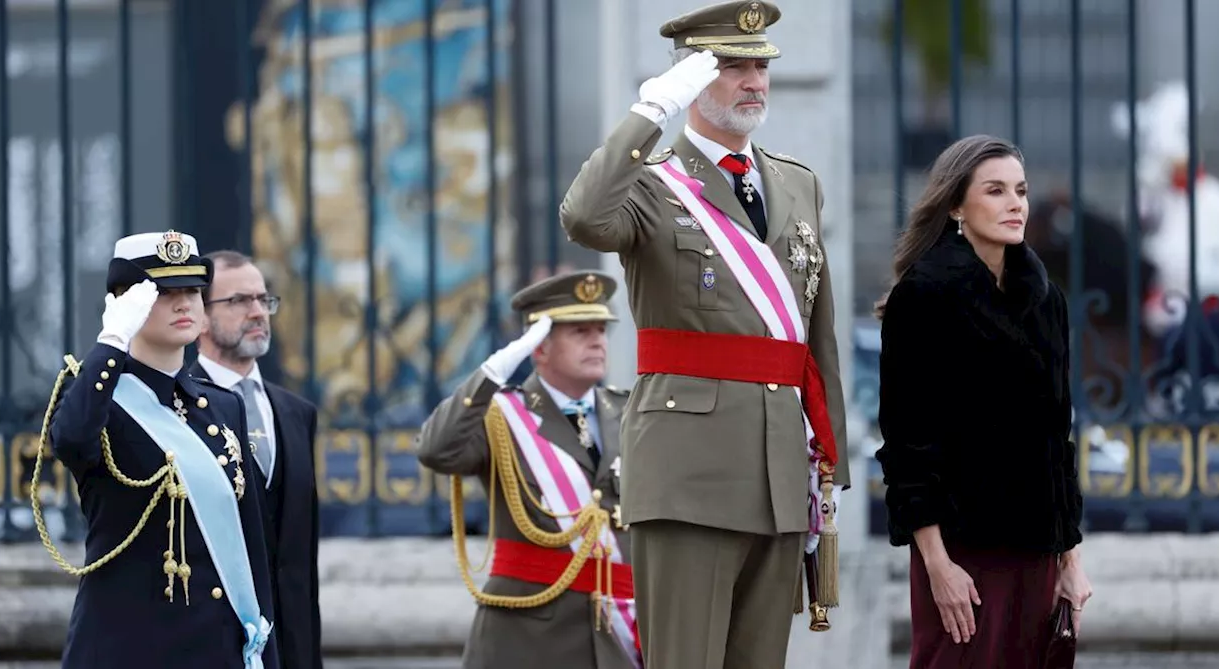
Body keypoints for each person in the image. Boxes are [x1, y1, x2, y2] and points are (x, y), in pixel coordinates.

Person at [559, 1, 851, 667]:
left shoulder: (797, 184)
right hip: (688, 474)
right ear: (691, 78)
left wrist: (828, 466)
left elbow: (817, 334)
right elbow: (583, 215)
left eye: (761, 65)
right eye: (731, 66)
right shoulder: (652, 185)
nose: (755, 80)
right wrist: (651, 111)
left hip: (779, 474)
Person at [872, 135, 1093, 668]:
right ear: (955, 206)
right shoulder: (924, 297)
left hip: (1037, 554)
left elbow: (1055, 441)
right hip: (962, 554)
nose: (1015, 203)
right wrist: (937, 566)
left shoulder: (1046, 299)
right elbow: (907, 446)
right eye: (995, 191)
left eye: (1020, 190)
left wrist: (1070, 558)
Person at [41, 231, 279, 669]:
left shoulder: (224, 407)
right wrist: (112, 340)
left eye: (192, 290)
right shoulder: (95, 398)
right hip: (131, 649)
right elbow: (72, 441)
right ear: (124, 301)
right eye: (164, 292)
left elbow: (251, 557)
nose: (184, 302)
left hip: (217, 653)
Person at [417, 270, 640, 669]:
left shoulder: (627, 412)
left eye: (601, 330)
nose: (597, 341)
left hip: (618, 639)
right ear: (540, 348)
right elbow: (438, 450)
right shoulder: (502, 416)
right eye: (579, 331)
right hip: (530, 641)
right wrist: (493, 373)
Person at [191, 250, 322, 669]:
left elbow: (299, 560)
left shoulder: (298, 414)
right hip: (213, 648)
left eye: (263, 300)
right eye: (238, 301)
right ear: (200, 316)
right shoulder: (178, 407)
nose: (257, 312)